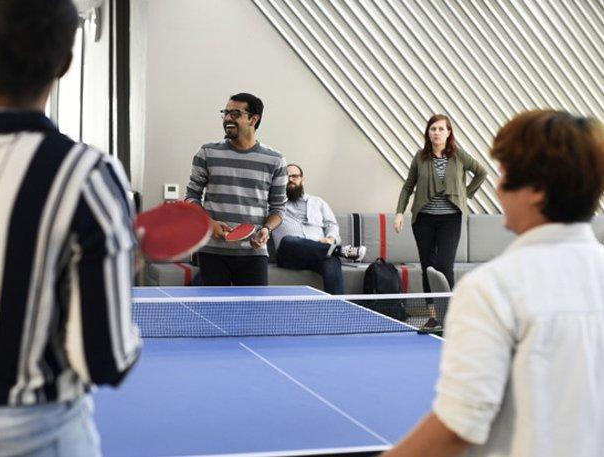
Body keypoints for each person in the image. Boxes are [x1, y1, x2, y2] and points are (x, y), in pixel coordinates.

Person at [0, 1, 141, 456]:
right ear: (65, 63)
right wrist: (125, 267)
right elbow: (103, 360)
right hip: (29, 434)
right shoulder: (88, 177)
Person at [383, 110, 604, 457]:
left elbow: (457, 429)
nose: (499, 188)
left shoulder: (490, 289)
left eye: (506, 175)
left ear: (537, 191)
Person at [394, 114, 487, 330]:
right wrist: (399, 212)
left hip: (450, 219)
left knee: (445, 267)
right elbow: (408, 186)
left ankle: (450, 316)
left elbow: (482, 173)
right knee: (428, 267)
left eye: (441, 129)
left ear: (448, 132)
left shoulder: (459, 155)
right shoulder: (420, 157)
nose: (436, 133)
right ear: (428, 133)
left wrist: (464, 194)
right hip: (424, 220)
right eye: (433, 129)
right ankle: (433, 317)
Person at [185, 93, 287, 286]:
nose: (227, 118)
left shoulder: (275, 160)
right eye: (226, 113)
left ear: (253, 119)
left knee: (253, 307)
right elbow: (191, 197)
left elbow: (278, 208)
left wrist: (266, 229)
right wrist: (208, 223)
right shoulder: (207, 152)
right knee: (212, 306)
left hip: (253, 253)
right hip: (211, 252)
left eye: (235, 114)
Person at [272, 163, 366, 294]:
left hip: (318, 255)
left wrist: (331, 239)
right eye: (286, 177)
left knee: (331, 260)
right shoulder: (274, 204)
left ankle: (337, 306)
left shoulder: (318, 202)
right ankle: (339, 250)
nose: (290, 179)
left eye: (294, 176)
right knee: (288, 240)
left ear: (302, 179)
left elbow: (331, 225)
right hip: (290, 255)